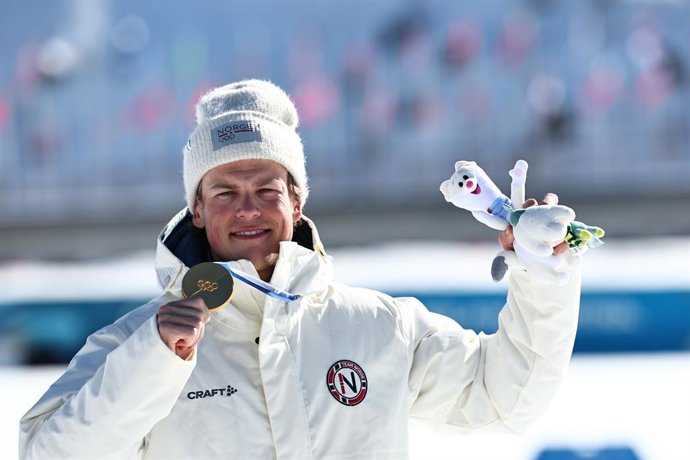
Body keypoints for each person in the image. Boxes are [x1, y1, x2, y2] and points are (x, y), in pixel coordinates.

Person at [19, 79, 582, 459]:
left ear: (296, 201)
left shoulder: (378, 326)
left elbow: (507, 398)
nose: (247, 209)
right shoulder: (137, 344)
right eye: (225, 191)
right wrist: (153, 360)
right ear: (196, 207)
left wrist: (540, 278)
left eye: (267, 189)